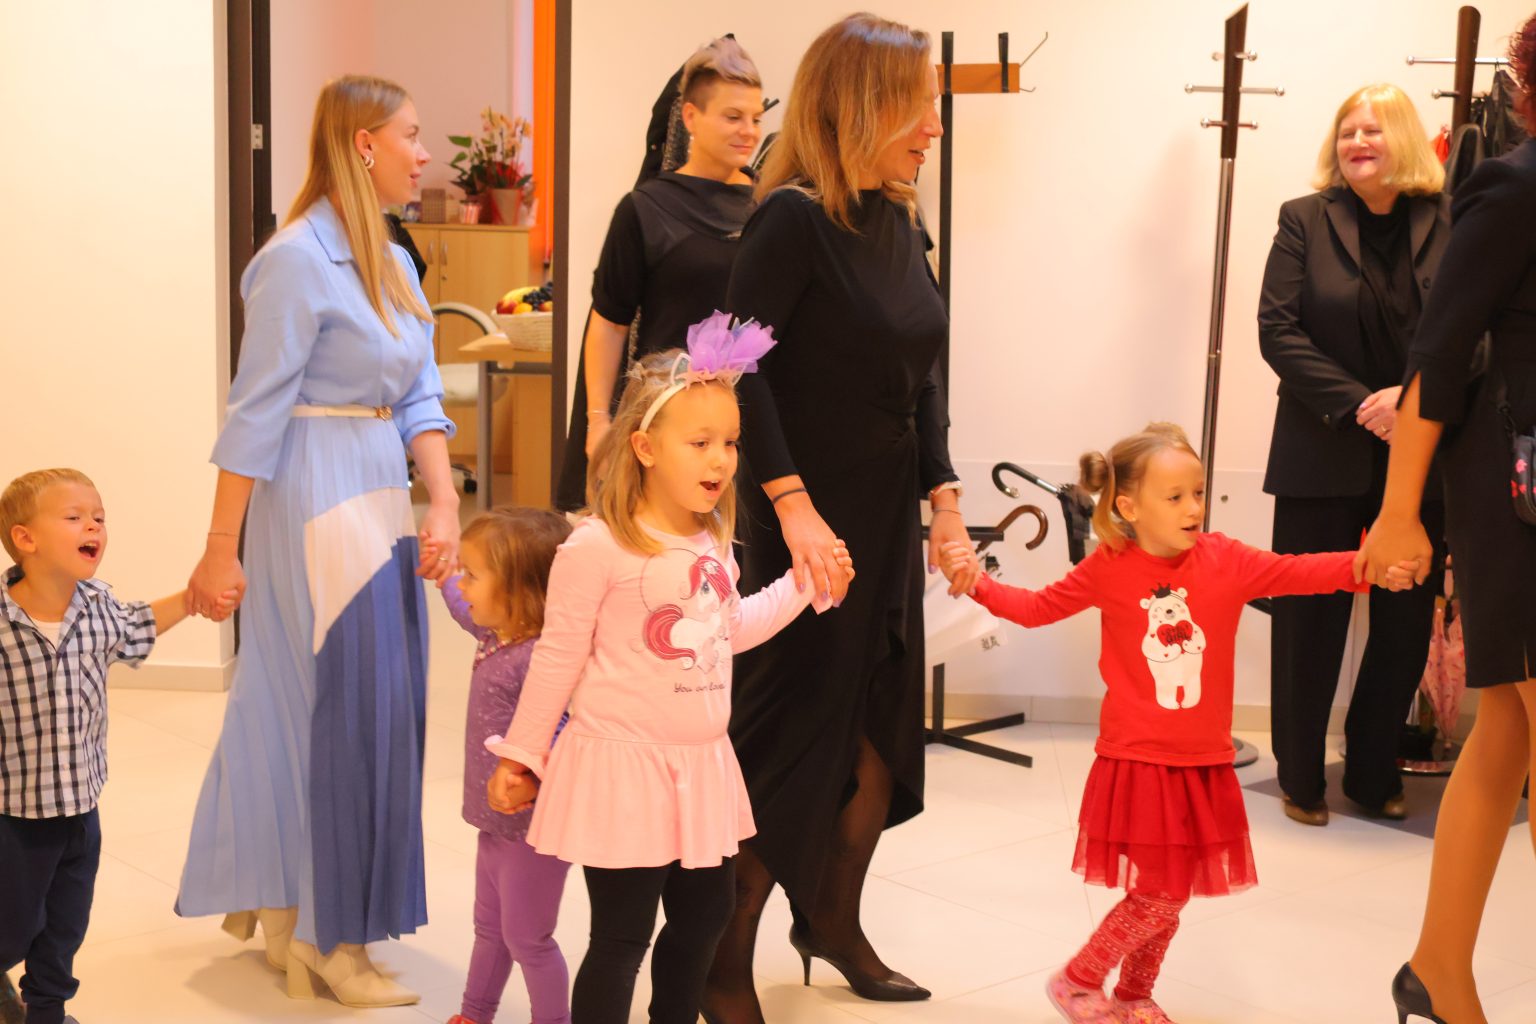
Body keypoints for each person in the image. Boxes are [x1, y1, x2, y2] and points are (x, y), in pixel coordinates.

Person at [941, 424, 1416, 1024]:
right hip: (1140, 760)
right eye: (1175, 497)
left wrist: (1368, 567)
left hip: (1203, 761)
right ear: (1128, 506)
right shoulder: (1110, 566)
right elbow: (1036, 609)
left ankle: (1134, 995)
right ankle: (1078, 980)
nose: (1194, 508)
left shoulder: (1226, 559)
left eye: (1198, 492)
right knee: (1160, 892)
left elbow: (1298, 572)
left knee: (1172, 893)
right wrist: (978, 584)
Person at [703, 15, 975, 1021]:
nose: (934, 128)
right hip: (805, 529)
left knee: (875, 737)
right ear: (863, 106)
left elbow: (925, 374)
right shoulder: (792, 221)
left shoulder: (902, 222)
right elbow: (729, 362)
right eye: (921, 108)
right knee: (788, 743)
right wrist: (792, 507)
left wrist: (946, 502)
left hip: (883, 521)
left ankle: (831, 918)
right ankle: (720, 958)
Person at [174, 75, 460, 1008]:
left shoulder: (393, 258)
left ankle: (299, 913)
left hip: (376, 491)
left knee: (372, 708)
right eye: (412, 135)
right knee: (335, 713)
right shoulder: (295, 259)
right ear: (363, 144)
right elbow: (254, 412)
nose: (426, 154)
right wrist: (220, 546)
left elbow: (420, 393)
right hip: (313, 495)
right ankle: (325, 936)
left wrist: (444, 501)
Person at [484, 316, 852, 1024]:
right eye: (701, 442)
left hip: (701, 766)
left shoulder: (713, 538)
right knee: (622, 937)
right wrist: (523, 754)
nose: (722, 460)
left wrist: (806, 584)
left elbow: (728, 630)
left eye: (731, 443)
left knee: (705, 920)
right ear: (646, 447)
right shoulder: (597, 546)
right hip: (622, 769)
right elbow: (558, 656)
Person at [1358, 14, 1536, 1024]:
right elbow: (1436, 352)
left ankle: (1437, 970)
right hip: (1518, 498)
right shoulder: (1513, 186)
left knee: (1507, 726)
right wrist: (1398, 515)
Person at [1257, 83, 1451, 826]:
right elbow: (1278, 330)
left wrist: (1409, 402)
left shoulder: (1452, 218)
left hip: (1422, 455)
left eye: (1373, 129)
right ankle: (1300, 776)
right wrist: (1364, 403)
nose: (1357, 142)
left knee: (1403, 622)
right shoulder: (1303, 219)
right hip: (1322, 445)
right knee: (1309, 620)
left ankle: (1373, 773)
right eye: (1347, 131)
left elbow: (1474, 333)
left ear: (1404, 138)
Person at [0, 468, 214, 1024]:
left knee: (66, 924)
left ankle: (46, 1012)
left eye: (99, 517)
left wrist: (194, 597)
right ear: (25, 539)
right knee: (14, 926)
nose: (94, 525)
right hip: (15, 815)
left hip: (80, 808)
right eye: (74, 517)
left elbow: (140, 625)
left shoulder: (98, 605)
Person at [556, 36, 766, 511]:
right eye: (733, 116)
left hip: (750, 428)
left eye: (756, 118)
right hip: (668, 427)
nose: (748, 131)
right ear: (691, 116)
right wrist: (598, 423)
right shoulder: (645, 210)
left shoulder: (771, 205)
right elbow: (609, 323)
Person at [437, 507, 573, 1024]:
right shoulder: (496, 633)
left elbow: (563, 732)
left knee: (528, 939)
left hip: (533, 831)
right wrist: (441, 570)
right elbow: (459, 605)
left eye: (473, 575)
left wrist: (531, 780)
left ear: (518, 592)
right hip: (495, 824)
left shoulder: (541, 657)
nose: (463, 586)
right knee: (489, 929)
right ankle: (474, 1014)